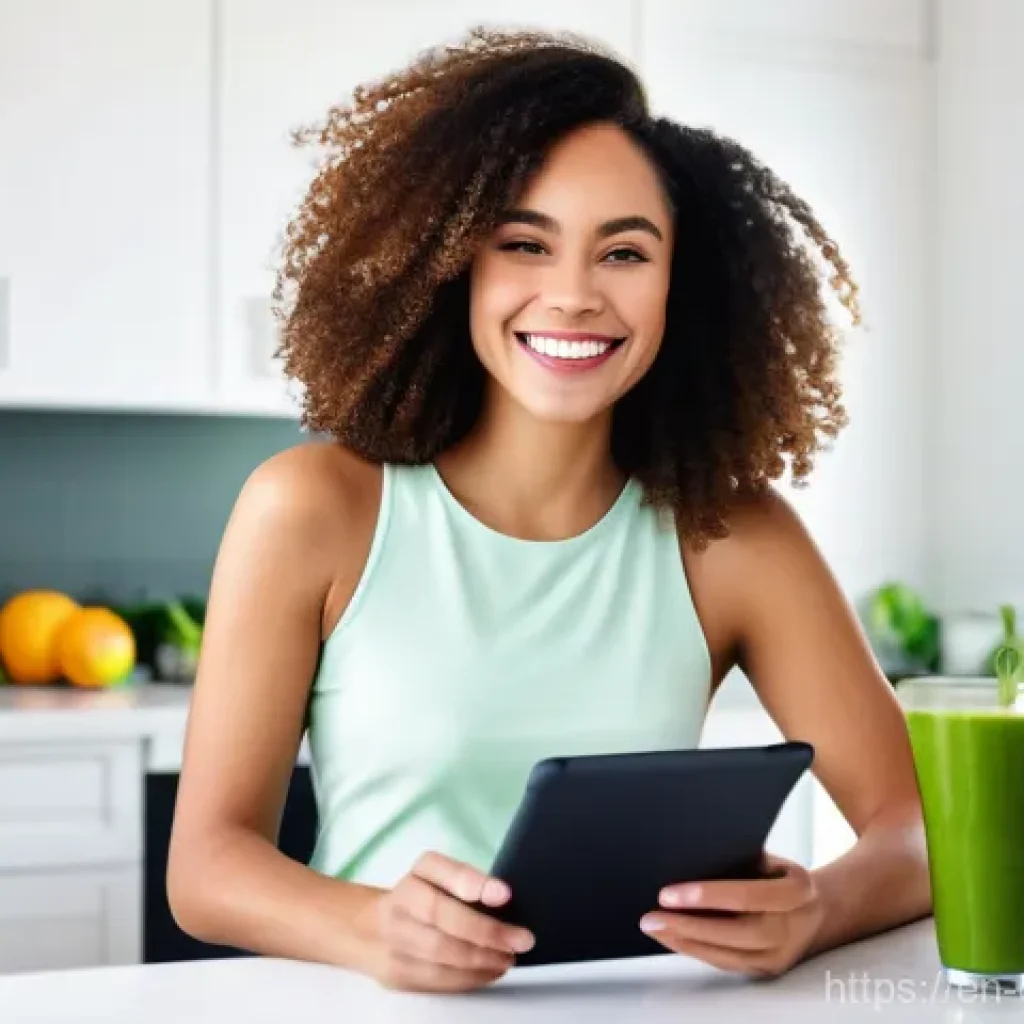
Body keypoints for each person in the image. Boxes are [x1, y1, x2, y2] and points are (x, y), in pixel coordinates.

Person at [167, 27, 932, 993]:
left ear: (681, 285)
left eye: (624, 252)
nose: (572, 296)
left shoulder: (733, 537)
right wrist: (370, 928)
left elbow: (922, 828)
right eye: (525, 244)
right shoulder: (313, 509)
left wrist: (816, 910)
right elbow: (207, 867)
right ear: (451, 262)